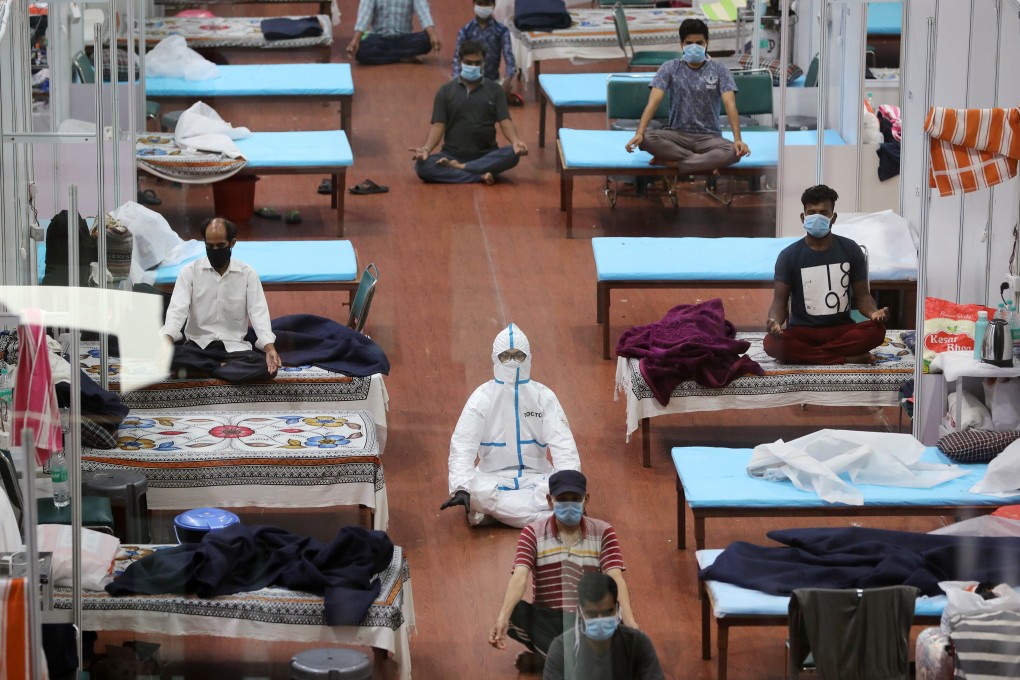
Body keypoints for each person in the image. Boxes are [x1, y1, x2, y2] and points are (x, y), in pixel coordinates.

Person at [488, 470, 637, 673]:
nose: (569, 504)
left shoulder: (603, 532)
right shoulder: (532, 533)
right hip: (550, 620)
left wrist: (631, 624)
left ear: (586, 499)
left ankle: (552, 661)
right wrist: (502, 617)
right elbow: (520, 576)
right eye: (562, 499)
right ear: (550, 500)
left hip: (590, 619)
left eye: (575, 499)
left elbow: (616, 577)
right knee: (514, 612)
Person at [441, 323, 579, 527]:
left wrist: (569, 484)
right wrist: (461, 488)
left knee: (557, 488)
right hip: (492, 479)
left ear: (529, 358)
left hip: (537, 477)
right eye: (506, 356)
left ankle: (495, 515)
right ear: (495, 359)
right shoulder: (482, 397)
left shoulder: (544, 397)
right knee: (477, 492)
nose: (512, 362)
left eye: (519, 356)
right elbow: (462, 446)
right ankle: (544, 517)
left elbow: (564, 445)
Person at [764, 184, 888, 364]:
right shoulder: (788, 256)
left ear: (833, 217)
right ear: (802, 217)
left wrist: (874, 313)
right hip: (803, 331)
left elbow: (863, 297)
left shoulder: (850, 249)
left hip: (841, 329)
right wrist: (774, 322)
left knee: (877, 331)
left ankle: (814, 356)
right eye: (811, 212)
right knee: (771, 344)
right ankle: (845, 358)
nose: (817, 218)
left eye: (823, 213)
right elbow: (778, 303)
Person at [160, 217, 282, 383]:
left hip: (234, 349)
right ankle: (222, 369)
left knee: (266, 368)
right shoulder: (189, 272)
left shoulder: (247, 274)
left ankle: (203, 370)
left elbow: (258, 314)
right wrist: (165, 344)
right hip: (197, 348)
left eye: (220, 246)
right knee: (166, 357)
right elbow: (176, 312)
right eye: (210, 246)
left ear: (232, 243)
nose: (215, 250)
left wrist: (269, 348)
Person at [624, 18, 750, 172]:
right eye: (689, 43)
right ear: (681, 44)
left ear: (706, 43)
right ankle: (703, 162)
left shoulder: (720, 69)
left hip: (710, 137)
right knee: (647, 139)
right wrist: (639, 133)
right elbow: (653, 103)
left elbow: (730, 105)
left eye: (699, 42)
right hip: (677, 135)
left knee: (733, 152)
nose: (694, 47)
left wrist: (738, 139)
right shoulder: (669, 67)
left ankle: (676, 162)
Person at [411, 40, 528, 184]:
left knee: (512, 154)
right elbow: (438, 125)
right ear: (460, 62)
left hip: (486, 154)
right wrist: (427, 149)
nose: (473, 66)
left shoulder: (495, 90)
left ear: (484, 62)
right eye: (469, 62)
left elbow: (505, 121)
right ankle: (478, 175)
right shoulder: (445, 91)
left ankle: (461, 168)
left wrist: (516, 141)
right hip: (452, 155)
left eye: (477, 63)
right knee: (422, 166)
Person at [544, 573, 665, 680]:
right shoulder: (562, 650)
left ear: (617, 609)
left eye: (607, 612)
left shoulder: (638, 643)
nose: (600, 620)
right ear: (580, 612)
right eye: (592, 614)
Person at [452, 0, 516, 100]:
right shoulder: (465, 31)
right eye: (480, 3)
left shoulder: (502, 30)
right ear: (474, 4)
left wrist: (508, 80)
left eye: (487, 4)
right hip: (469, 80)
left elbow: (509, 58)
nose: (483, 6)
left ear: (493, 5)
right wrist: (457, 83)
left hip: (493, 81)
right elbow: (456, 59)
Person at [346, 0, 441, 65]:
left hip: (404, 39)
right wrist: (355, 41)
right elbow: (364, 15)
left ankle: (386, 56)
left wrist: (433, 36)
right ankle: (402, 57)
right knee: (360, 51)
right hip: (380, 39)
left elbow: (423, 12)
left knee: (427, 40)